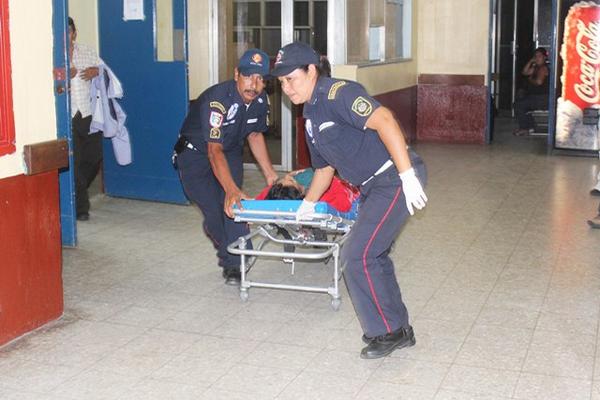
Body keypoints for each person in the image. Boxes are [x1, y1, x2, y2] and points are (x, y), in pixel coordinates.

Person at [271, 42, 428, 359]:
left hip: (392, 177)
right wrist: (308, 205)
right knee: (374, 255)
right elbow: (324, 168)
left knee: (357, 256)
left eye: (292, 79)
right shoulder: (311, 115)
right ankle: (399, 329)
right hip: (372, 187)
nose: (286, 88)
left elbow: (384, 120)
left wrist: (407, 175)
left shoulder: (337, 93)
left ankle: (385, 332)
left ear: (311, 71)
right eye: (282, 83)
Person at [173, 48, 278, 286]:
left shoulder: (260, 100)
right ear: (236, 74)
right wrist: (230, 189)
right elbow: (213, 150)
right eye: (249, 76)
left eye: (260, 78)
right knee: (215, 212)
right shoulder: (217, 100)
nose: (254, 84)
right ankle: (226, 241)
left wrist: (270, 174)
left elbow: (254, 135)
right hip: (195, 155)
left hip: (229, 151)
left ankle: (234, 265)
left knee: (234, 207)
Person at [68, 17, 102, 221]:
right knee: (75, 160)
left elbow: (105, 73)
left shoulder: (87, 51)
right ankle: (81, 208)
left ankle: (77, 190)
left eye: (70, 31)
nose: (67, 36)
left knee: (94, 158)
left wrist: (95, 71)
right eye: (62, 32)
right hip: (68, 116)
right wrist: (62, 75)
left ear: (75, 32)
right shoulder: (53, 54)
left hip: (88, 113)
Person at [255, 168, 360, 212]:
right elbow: (345, 205)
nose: (288, 176)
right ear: (299, 194)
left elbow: (262, 198)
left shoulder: (278, 193)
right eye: (291, 181)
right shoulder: (323, 195)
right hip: (329, 178)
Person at [513, 47, 549, 136]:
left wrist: (530, 80)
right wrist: (531, 61)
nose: (537, 58)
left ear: (544, 57)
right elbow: (524, 72)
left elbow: (539, 82)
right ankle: (530, 126)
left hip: (543, 99)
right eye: (535, 56)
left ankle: (524, 128)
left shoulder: (543, 68)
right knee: (520, 98)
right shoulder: (536, 67)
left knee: (519, 105)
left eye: (539, 56)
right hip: (536, 97)